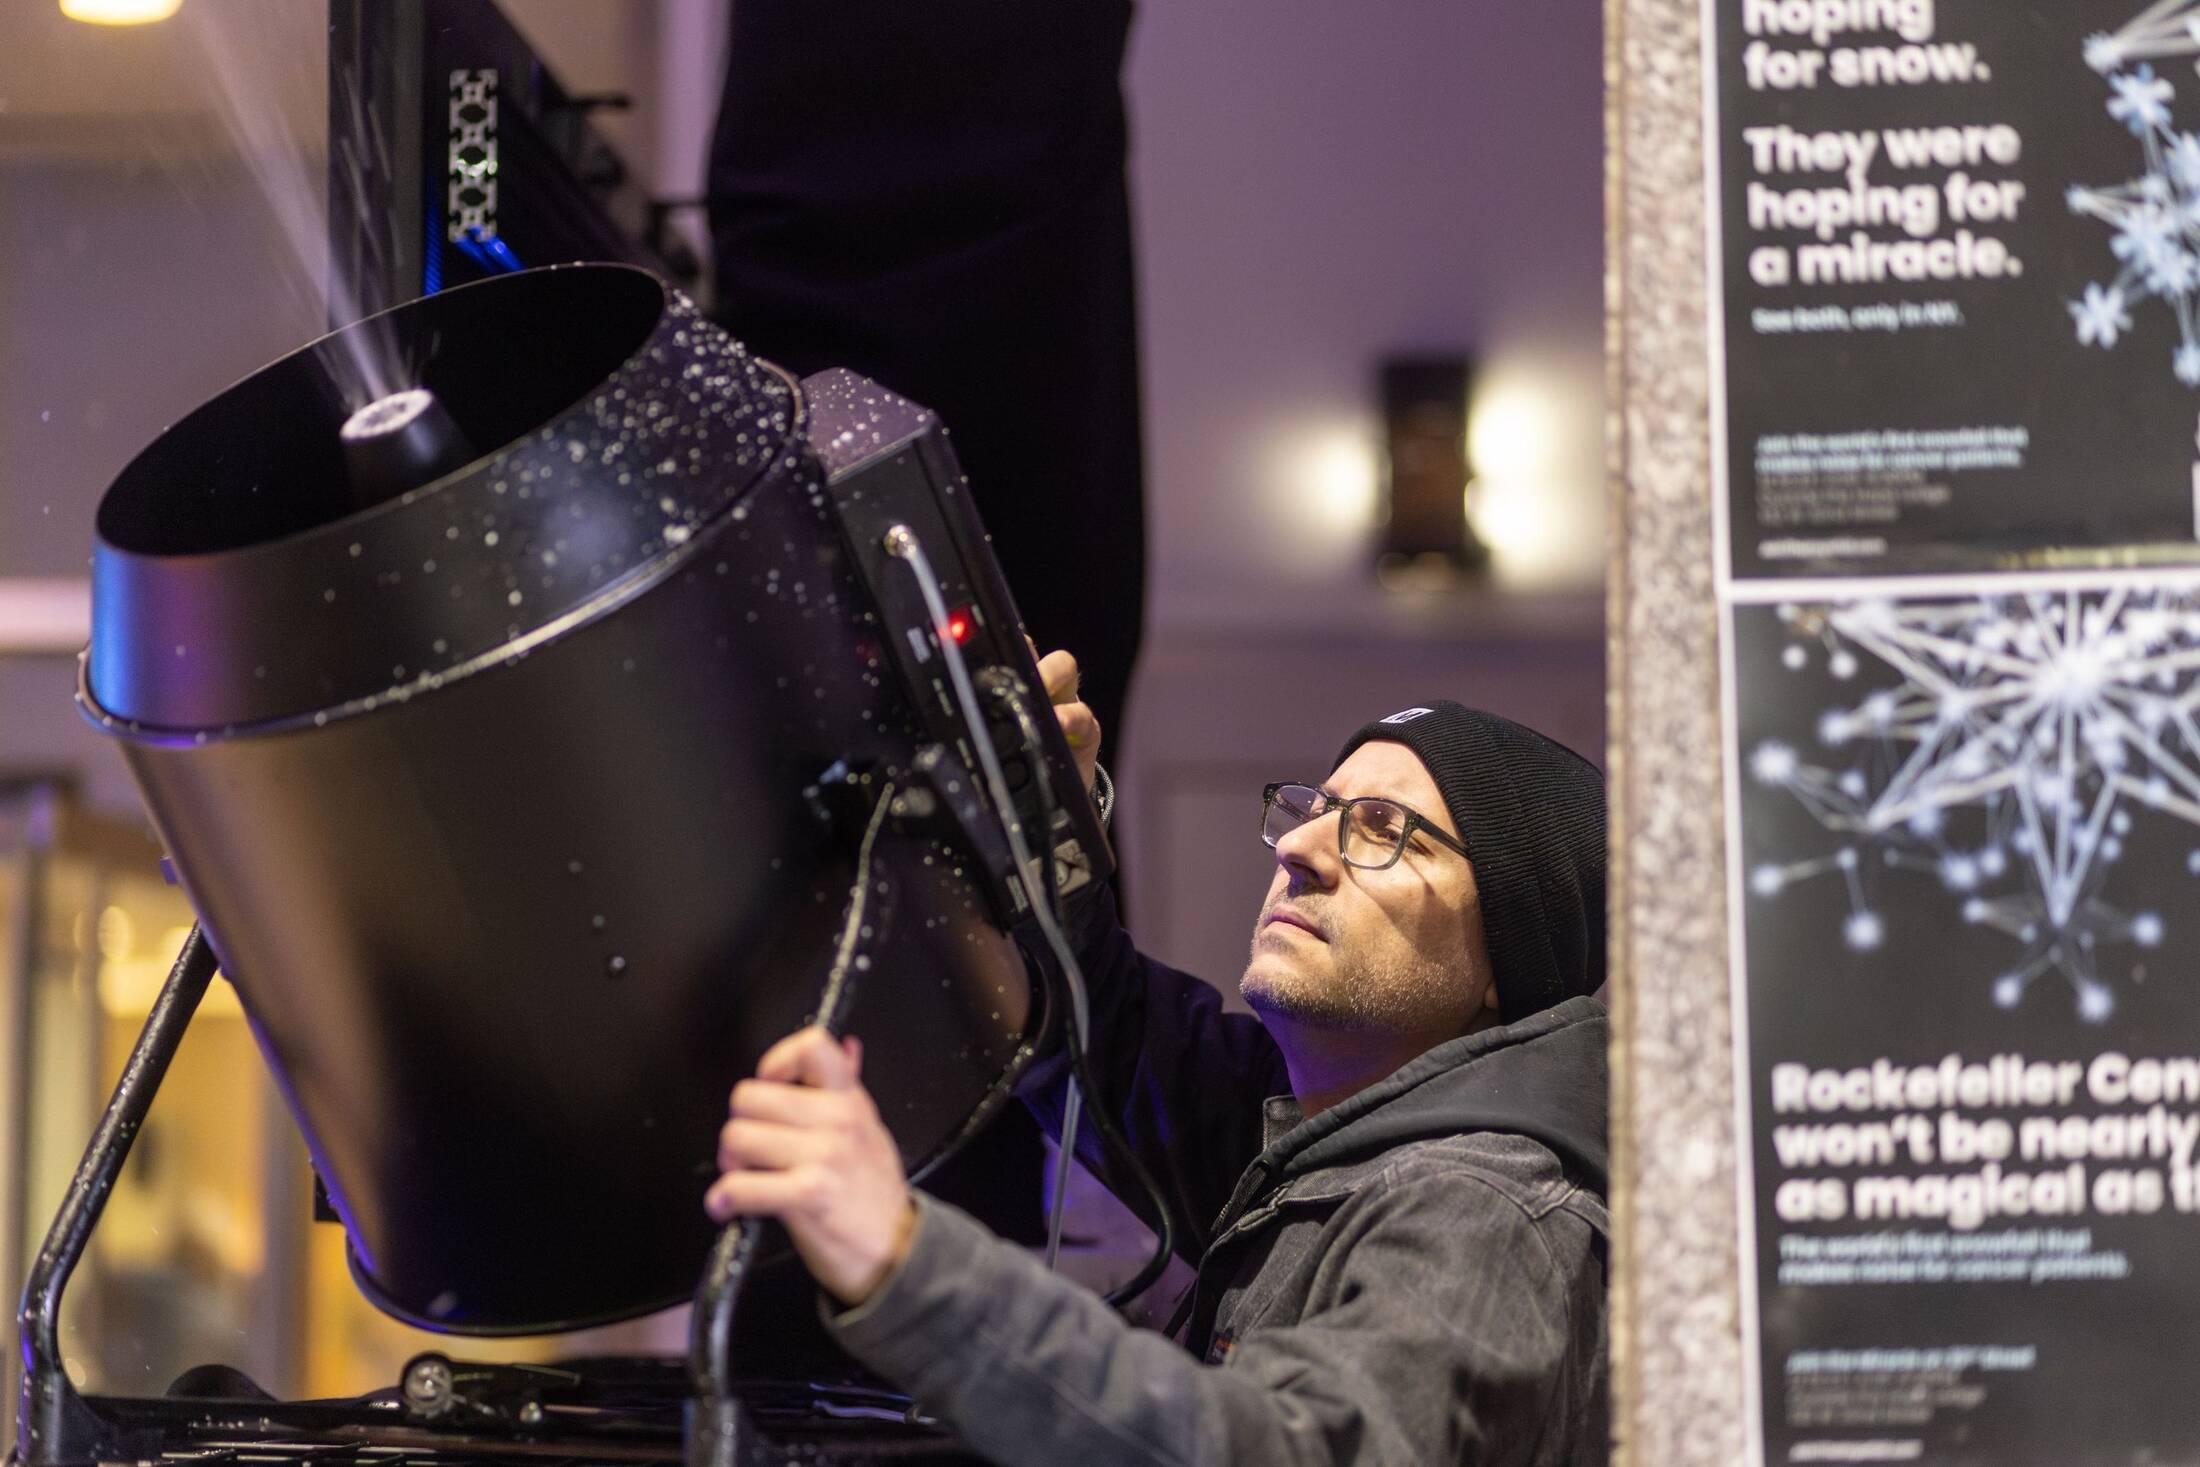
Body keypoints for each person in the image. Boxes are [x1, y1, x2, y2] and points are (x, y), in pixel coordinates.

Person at [704, 651, 1610, 1466]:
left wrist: (906, 1260)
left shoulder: (1486, 1213)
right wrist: (1045, 822)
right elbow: (1101, 1018)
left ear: (1509, 951)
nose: (1299, 846)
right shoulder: (1318, 1131)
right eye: (1318, 809)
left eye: (1383, 829)